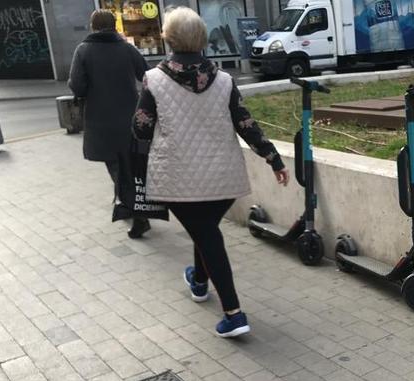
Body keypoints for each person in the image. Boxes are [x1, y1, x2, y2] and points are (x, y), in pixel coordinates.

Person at [132, 7, 289, 338]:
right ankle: (199, 282)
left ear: (168, 38)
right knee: (204, 228)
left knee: (206, 234)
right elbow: (246, 124)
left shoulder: (154, 79)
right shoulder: (225, 80)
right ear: (202, 38)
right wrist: (273, 158)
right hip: (223, 179)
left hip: (177, 180)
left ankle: (233, 313)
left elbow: (141, 130)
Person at [69, 10, 151, 239]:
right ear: (114, 25)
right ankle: (129, 205)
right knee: (131, 166)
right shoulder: (126, 48)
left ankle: (136, 213)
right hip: (130, 116)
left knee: (116, 167)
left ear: (93, 26)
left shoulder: (83, 50)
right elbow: (146, 74)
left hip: (101, 120)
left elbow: (77, 86)